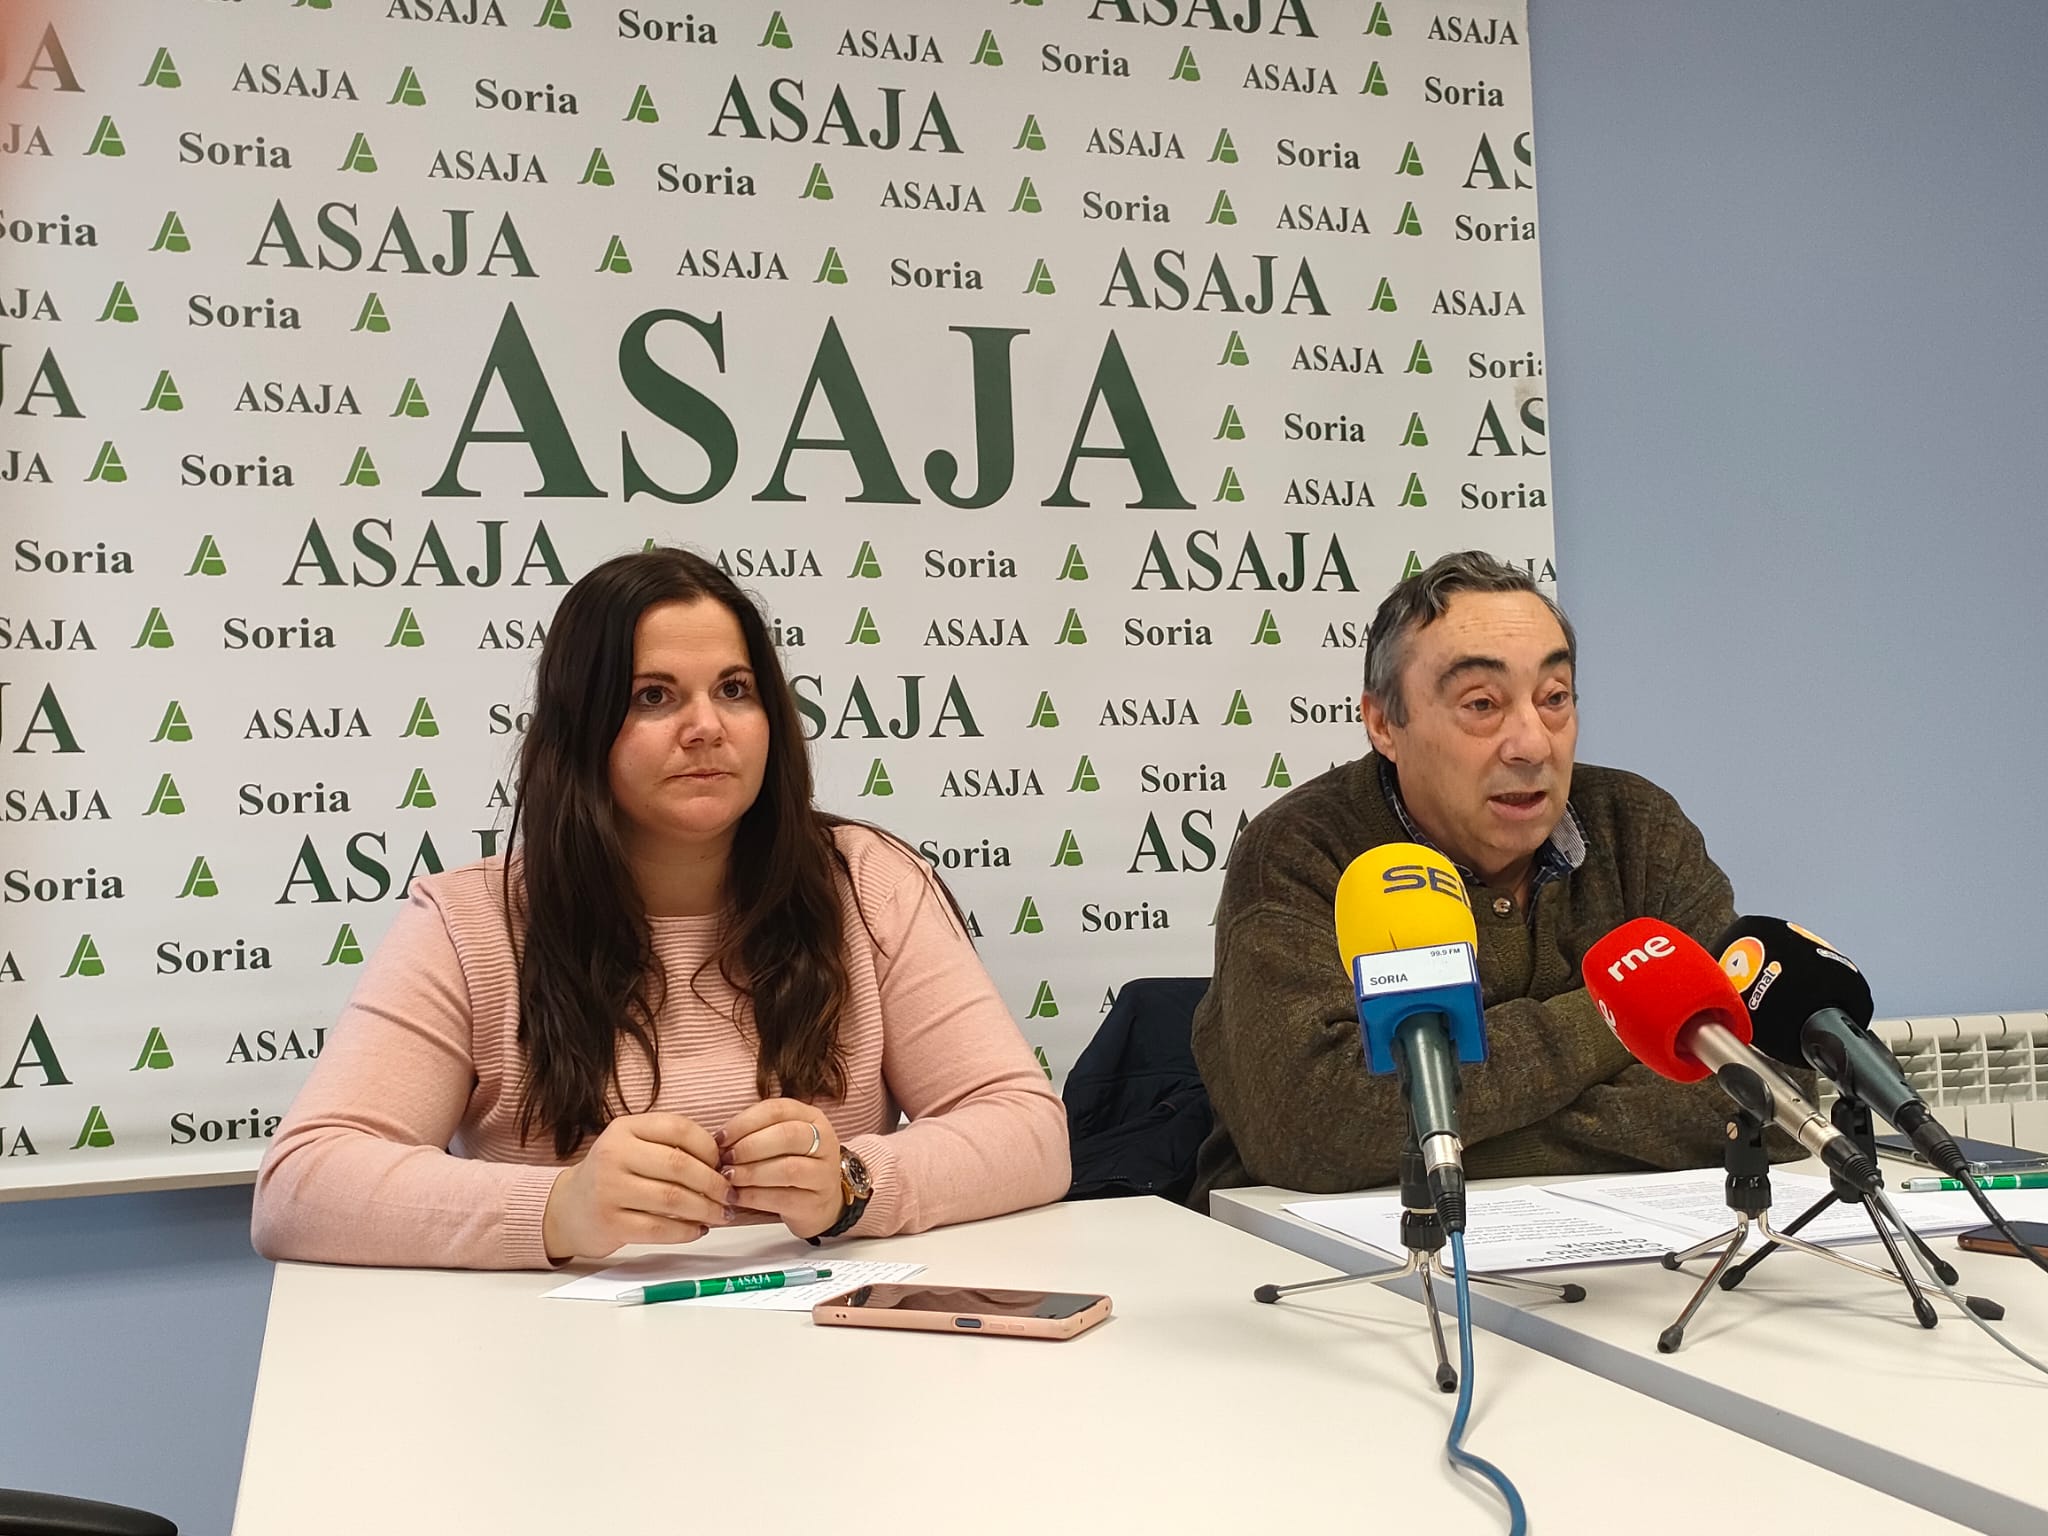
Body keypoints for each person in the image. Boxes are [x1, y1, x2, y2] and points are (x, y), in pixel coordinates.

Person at [253, 547, 1069, 1269]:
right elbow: (302, 1186)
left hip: (832, 1356)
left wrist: (856, 1183)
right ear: (582, 729)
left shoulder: (869, 881)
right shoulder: (468, 920)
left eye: (735, 689)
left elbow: (1029, 1133)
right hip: (552, 1372)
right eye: (653, 696)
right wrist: (560, 1209)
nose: (707, 727)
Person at [1190, 550, 1776, 1206]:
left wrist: (1451, 1143)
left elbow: (1763, 1089)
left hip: (1623, 1245)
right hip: (1327, 1258)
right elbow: (1320, 1128)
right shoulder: (1303, 848)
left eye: (1554, 699)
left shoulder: (1639, 828)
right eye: (1482, 704)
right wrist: (1627, 1009)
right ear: (1385, 723)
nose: (1532, 743)